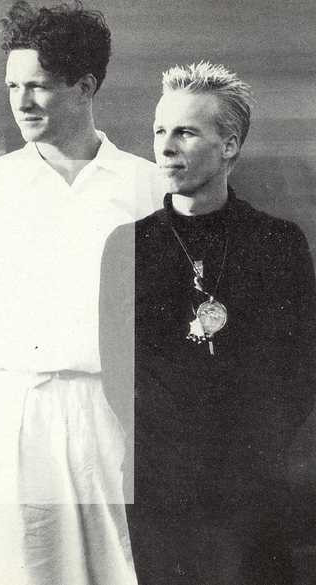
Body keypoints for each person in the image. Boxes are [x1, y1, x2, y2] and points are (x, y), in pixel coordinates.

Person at [0, 1, 161, 583]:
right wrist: (7, 415)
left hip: (119, 419)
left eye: (38, 86)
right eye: (13, 86)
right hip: (18, 415)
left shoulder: (149, 187)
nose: (22, 102)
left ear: (85, 86)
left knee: (128, 570)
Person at [100, 62, 316, 584]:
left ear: (229, 145)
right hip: (162, 491)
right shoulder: (126, 246)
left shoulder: (277, 243)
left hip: (250, 489)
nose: (166, 147)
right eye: (160, 131)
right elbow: (117, 377)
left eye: (186, 132)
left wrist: (247, 461)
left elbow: (298, 371)